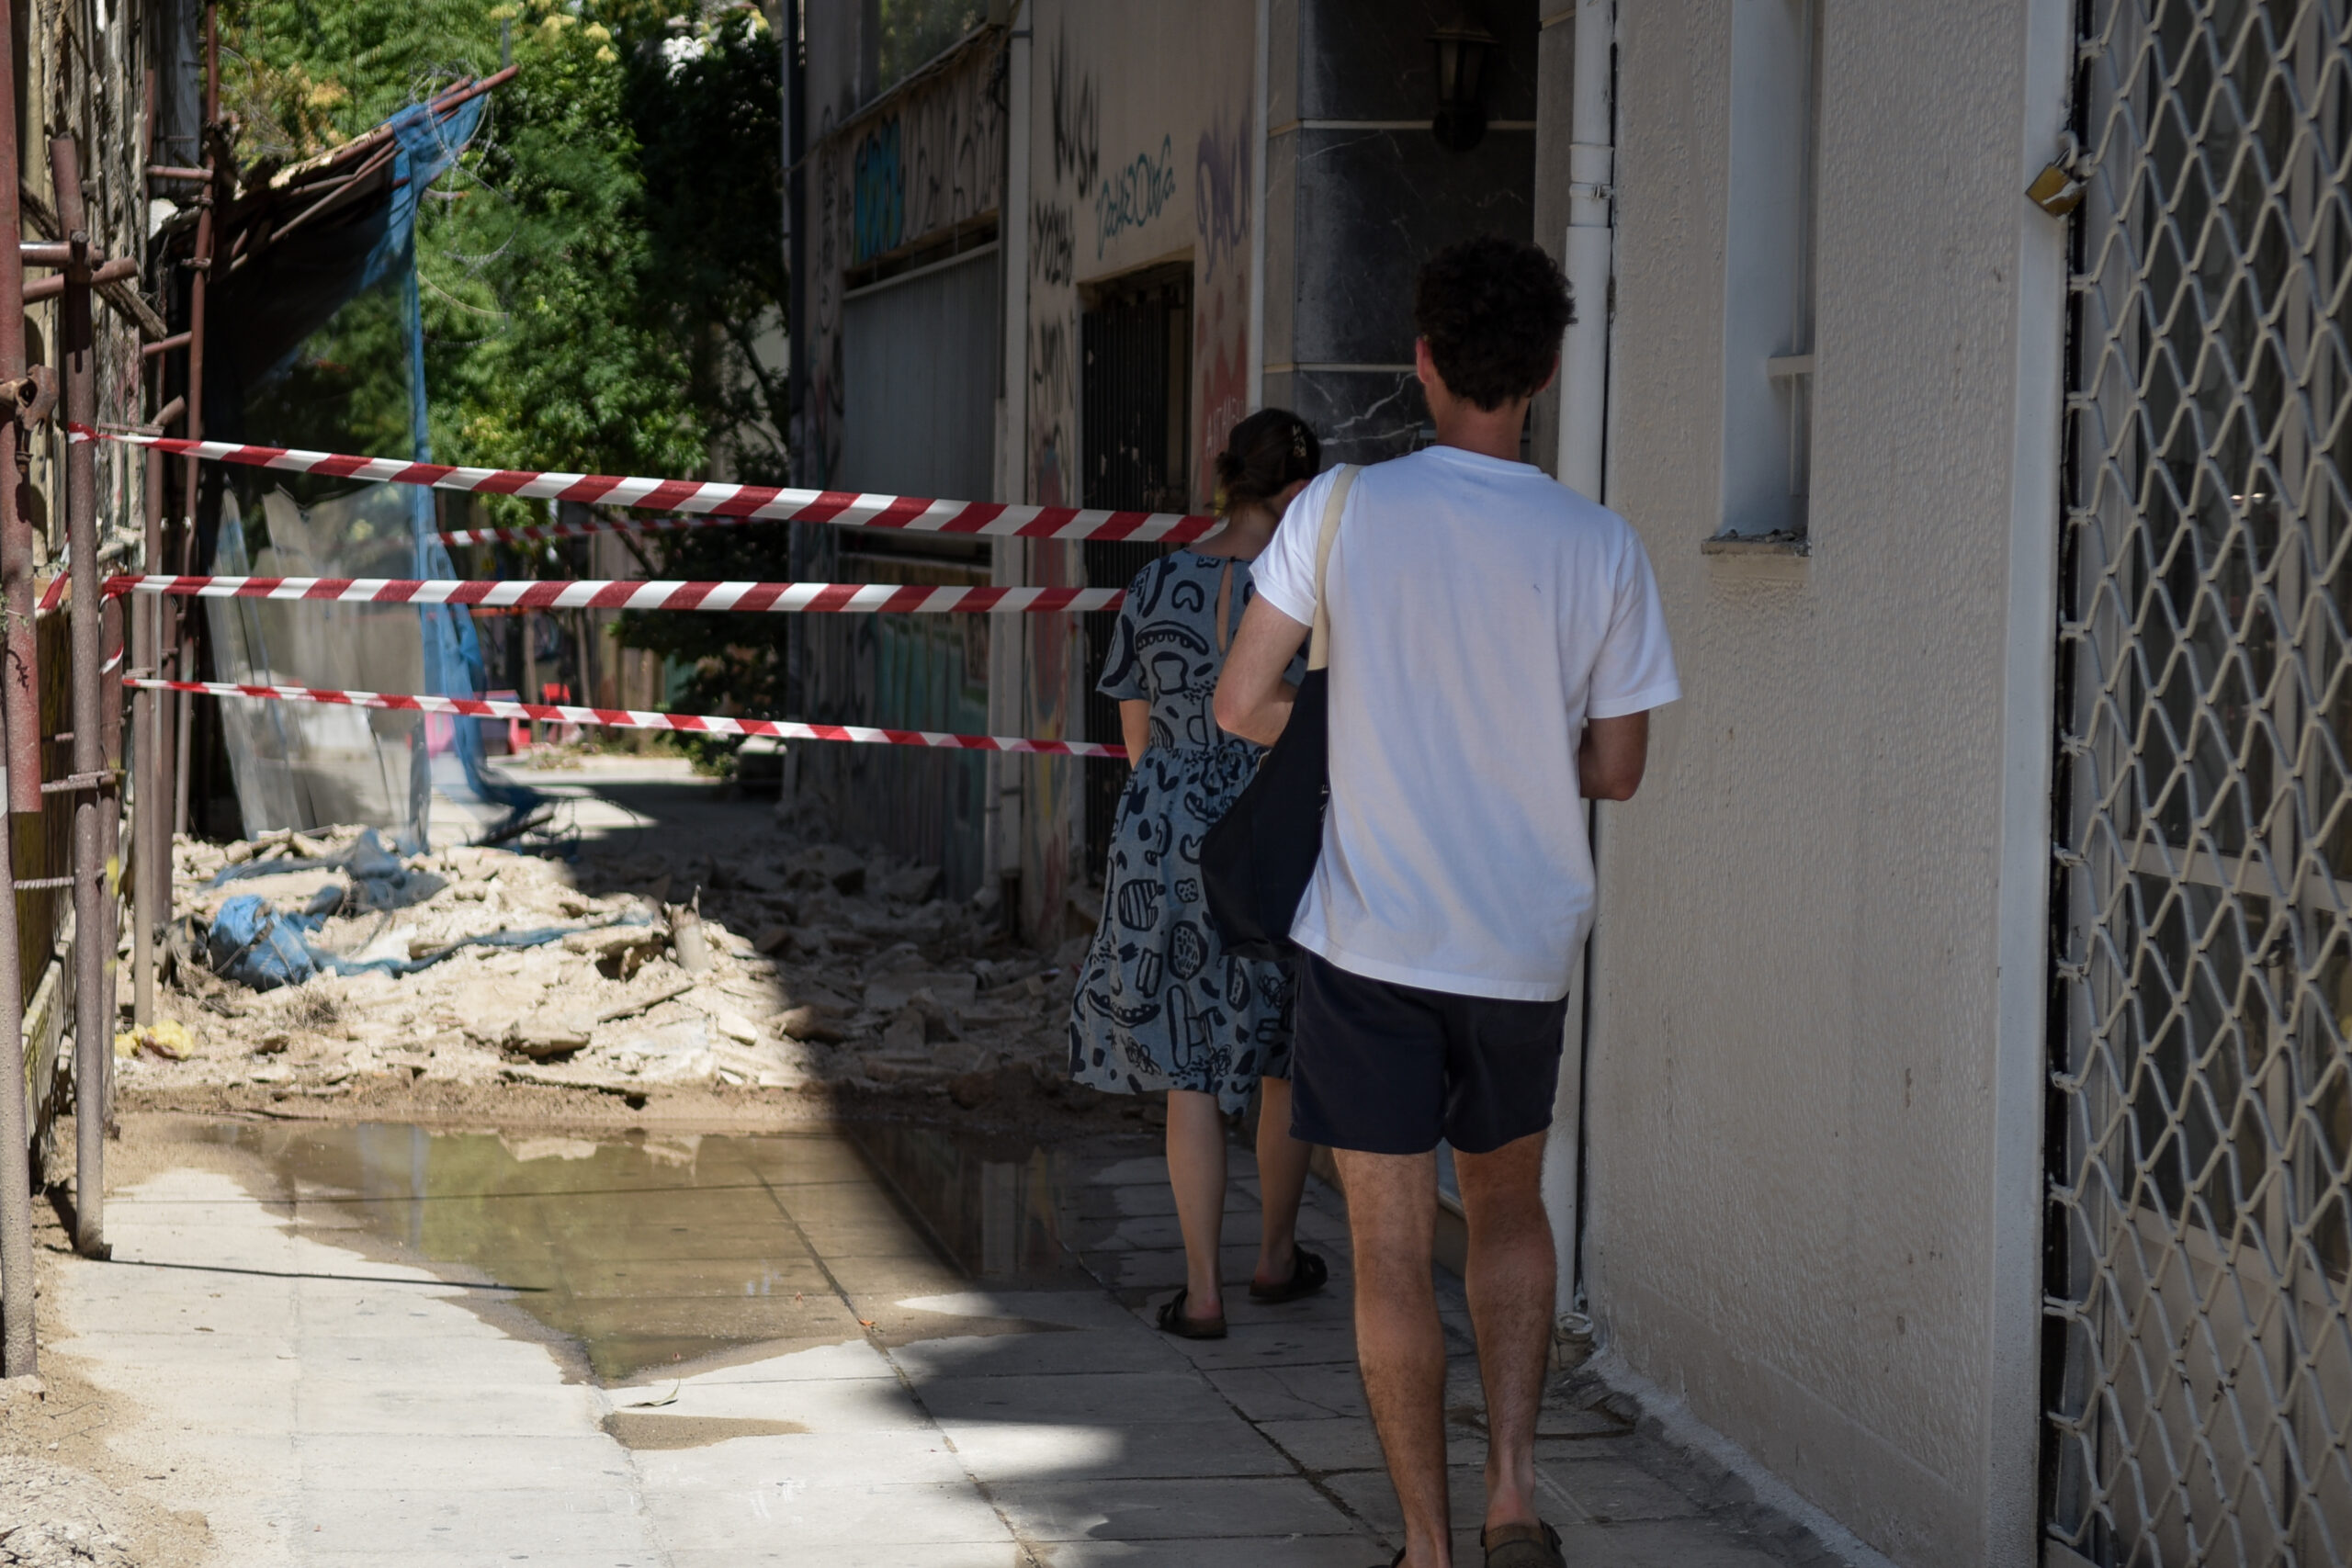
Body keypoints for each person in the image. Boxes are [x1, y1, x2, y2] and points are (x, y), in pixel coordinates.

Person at [1215, 236, 1679, 1568]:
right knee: (1512, 1210)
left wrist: (1358, 713)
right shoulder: (1602, 544)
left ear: (1421, 361)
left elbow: (1241, 702)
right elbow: (1620, 770)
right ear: (1542, 372)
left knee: (1385, 1246)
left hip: (1367, 940)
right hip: (1522, 941)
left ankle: (1423, 1544)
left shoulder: (1340, 510)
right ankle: (1514, 1496)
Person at [1068, 407, 1332, 1338]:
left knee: (1189, 1066)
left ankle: (1201, 1291)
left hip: (1164, 829)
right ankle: (1272, 1259)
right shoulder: (1315, 591)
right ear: (1303, 495)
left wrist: (1180, 789)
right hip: (1275, 826)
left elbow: (1134, 740)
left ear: (1227, 477)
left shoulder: (1155, 581)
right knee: (1278, 1057)